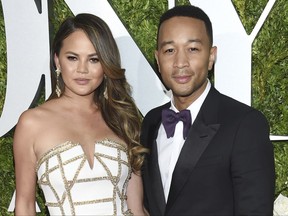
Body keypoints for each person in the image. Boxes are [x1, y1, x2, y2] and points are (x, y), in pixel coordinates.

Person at [141, 5, 275, 215]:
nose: (180, 62)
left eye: (192, 49)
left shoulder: (245, 124)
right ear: (158, 59)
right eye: (169, 50)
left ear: (211, 56)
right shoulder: (150, 122)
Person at [13, 13, 148, 216]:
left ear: (105, 64)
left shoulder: (122, 118)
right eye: (72, 58)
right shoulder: (32, 123)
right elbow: (24, 205)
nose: (82, 69)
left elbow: (136, 208)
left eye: (94, 59)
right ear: (57, 60)